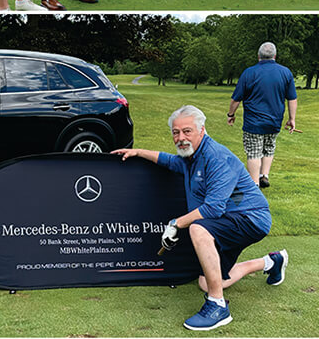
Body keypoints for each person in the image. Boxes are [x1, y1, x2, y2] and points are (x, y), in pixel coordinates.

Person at [112, 105, 287, 332]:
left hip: (250, 218)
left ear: (201, 130)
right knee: (207, 282)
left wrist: (176, 224)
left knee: (198, 228)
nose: (180, 138)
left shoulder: (216, 157)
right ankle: (271, 262)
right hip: (229, 218)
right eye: (176, 132)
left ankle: (218, 306)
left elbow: (213, 209)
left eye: (187, 131)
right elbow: (170, 161)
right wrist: (139, 152)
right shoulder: (191, 156)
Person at [227, 42, 298, 188]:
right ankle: (264, 175)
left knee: (254, 152)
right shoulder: (286, 73)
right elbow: (292, 98)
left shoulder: (249, 72)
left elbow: (236, 98)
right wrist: (292, 119)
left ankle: (254, 184)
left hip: (253, 122)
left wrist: (231, 114)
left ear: (258, 56)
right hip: (274, 121)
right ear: (275, 56)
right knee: (269, 147)